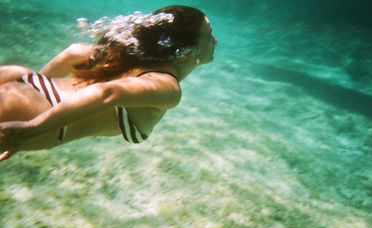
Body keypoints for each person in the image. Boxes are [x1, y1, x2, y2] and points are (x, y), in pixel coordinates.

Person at [0, 5, 217, 162]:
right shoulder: (167, 88)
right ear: (188, 50)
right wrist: (31, 127)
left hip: (22, 80)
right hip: (33, 111)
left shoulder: (131, 54)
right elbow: (107, 93)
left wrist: (32, 88)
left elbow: (73, 52)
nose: (215, 41)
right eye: (209, 35)